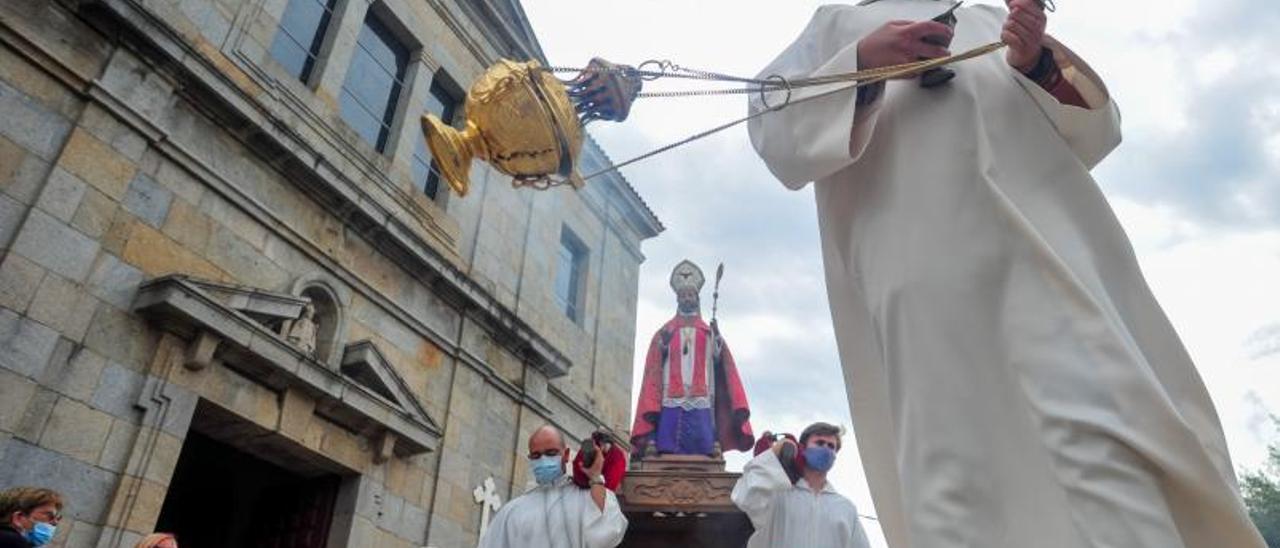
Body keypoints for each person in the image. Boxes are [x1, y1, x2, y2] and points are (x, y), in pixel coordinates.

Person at [748, 1, 1266, 546]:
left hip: (1040, 252)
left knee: (1104, 425)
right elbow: (776, 134)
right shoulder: (836, 24)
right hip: (923, 266)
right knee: (959, 465)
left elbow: (1095, 133)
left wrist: (1034, 59)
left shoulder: (987, 16)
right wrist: (864, 61)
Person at [631, 260, 753, 458]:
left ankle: (707, 449)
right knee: (669, 422)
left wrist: (717, 338)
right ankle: (664, 449)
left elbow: (717, 357)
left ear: (697, 298)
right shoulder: (665, 330)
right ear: (677, 300)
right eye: (683, 296)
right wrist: (663, 344)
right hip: (672, 385)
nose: (687, 299)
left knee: (703, 425)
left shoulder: (707, 331)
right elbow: (657, 359)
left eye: (691, 295)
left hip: (701, 386)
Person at [479, 425, 628, 548]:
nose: (543, 459)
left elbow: (610, 533)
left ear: (567, 454)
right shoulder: (511, 511)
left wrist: (595, 477)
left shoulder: (587, 496)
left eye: (551, 453)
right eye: (536, 456)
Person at [731, 422, 870, 548]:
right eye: (820, 443)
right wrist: (775, 451)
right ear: (802, 448)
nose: (826, 449)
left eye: (831, 446)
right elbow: (745, 497)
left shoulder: (845, 508)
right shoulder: (776, 495)